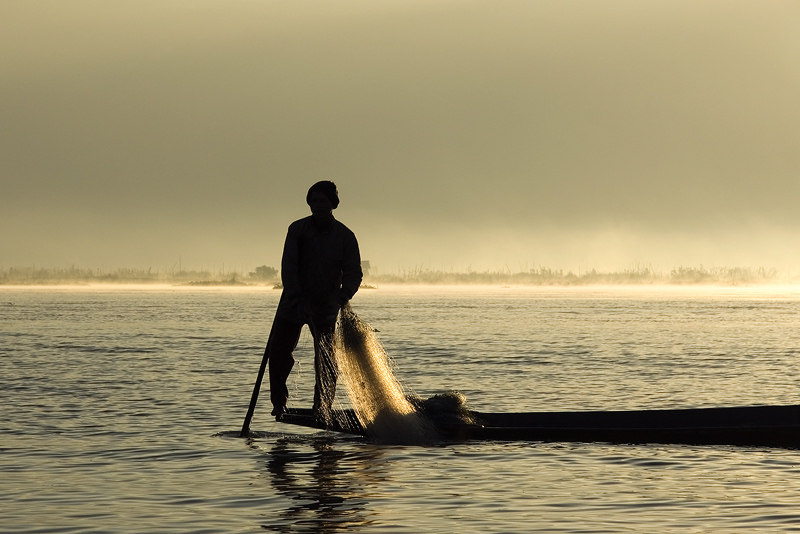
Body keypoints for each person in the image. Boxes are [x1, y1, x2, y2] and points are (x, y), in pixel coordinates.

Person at [267, 181, 362, 421]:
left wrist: (344, 294)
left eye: (323, 201)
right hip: (292, 303)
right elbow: (289, 268)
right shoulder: (297, 230)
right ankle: (279, 403)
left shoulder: (345, 236)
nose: (318, 206)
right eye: (314, 201)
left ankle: (323, 407)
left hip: (326, 305)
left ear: (333, 205)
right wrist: (297, 300)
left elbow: (353, 272)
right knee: (278, 352)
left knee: (326, 360)